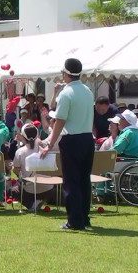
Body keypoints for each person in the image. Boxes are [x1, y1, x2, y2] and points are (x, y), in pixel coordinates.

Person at [41, 58, 94, 230]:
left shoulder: (66, 93)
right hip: (87, 139)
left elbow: (60, 121)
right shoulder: (87, 90)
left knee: (71, 182)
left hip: (72, 140)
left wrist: (50, 142)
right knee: (84, 180)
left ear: (66, 73)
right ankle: (84, 218)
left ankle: (74, 221)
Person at [12, 124, 56, 210]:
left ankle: (32, 204)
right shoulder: (46, 148)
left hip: (30, 190)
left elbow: (16, 170)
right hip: (48, 189)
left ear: (23, 136)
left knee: (13, 190)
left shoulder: (20, 152)